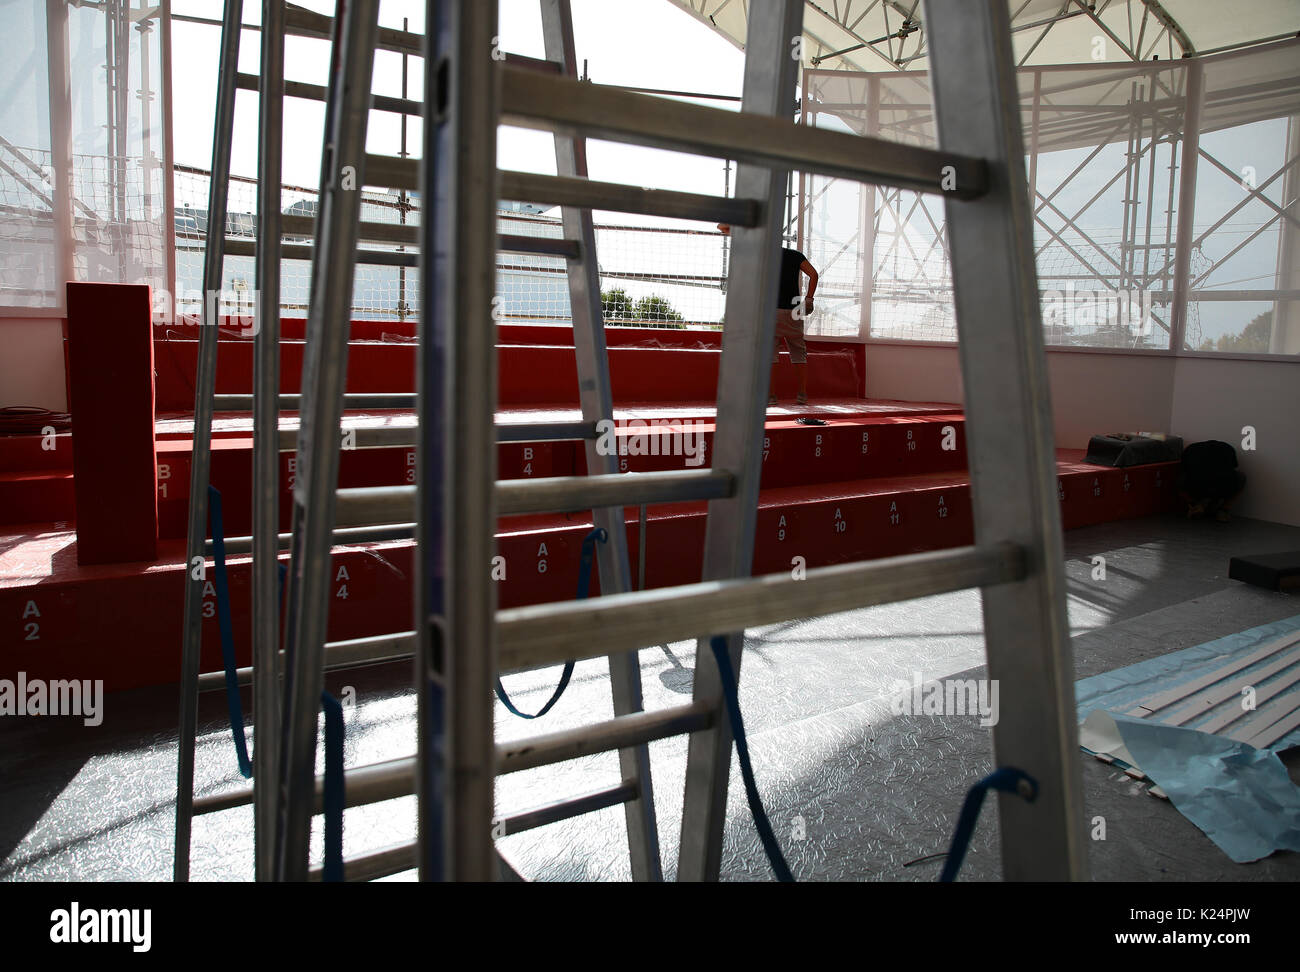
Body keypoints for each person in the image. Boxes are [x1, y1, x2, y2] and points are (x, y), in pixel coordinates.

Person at [717, 224, 819, 406]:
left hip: (770, 311)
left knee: (770, 354)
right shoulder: (795, 256)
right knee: (798, 352)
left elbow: (722, 227)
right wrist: (809, 299)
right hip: (794, 311)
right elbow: (813, 274)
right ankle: (802, 394)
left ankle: (771, 396)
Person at [1178, 439, 1246, 522]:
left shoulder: (1191, 449)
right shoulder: (1227, 448)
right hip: (1224, 485)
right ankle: (1224, 509)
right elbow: (1233, 467)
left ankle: (1195, 505)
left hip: (1195, 485)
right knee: (1241, 477)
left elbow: (1184, 469)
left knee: (1180, 478)